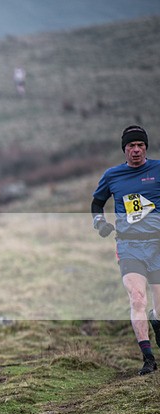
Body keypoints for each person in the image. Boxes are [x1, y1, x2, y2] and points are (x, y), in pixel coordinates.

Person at [92, 125, 160, 375]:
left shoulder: (158, 169)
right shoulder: (112, 176)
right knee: (137, 298)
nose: (135, 150)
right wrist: (99, 222)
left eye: (140, 145)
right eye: (131, 146)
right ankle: (148, 358)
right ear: (124, 149)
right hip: (129, 246)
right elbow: (97, 203)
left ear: (146, 148)